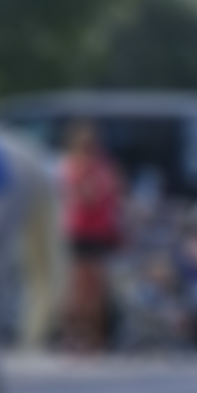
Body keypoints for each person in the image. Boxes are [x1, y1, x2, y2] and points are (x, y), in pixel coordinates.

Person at [60, 119, 125, 351]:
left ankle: (92, 338)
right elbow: (89, 198)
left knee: (91, 288)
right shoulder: (77, 167)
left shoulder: (97, 167)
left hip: (93, 232)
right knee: (82, 289)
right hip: (82, 231)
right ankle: (80, 337)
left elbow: (110, 197)